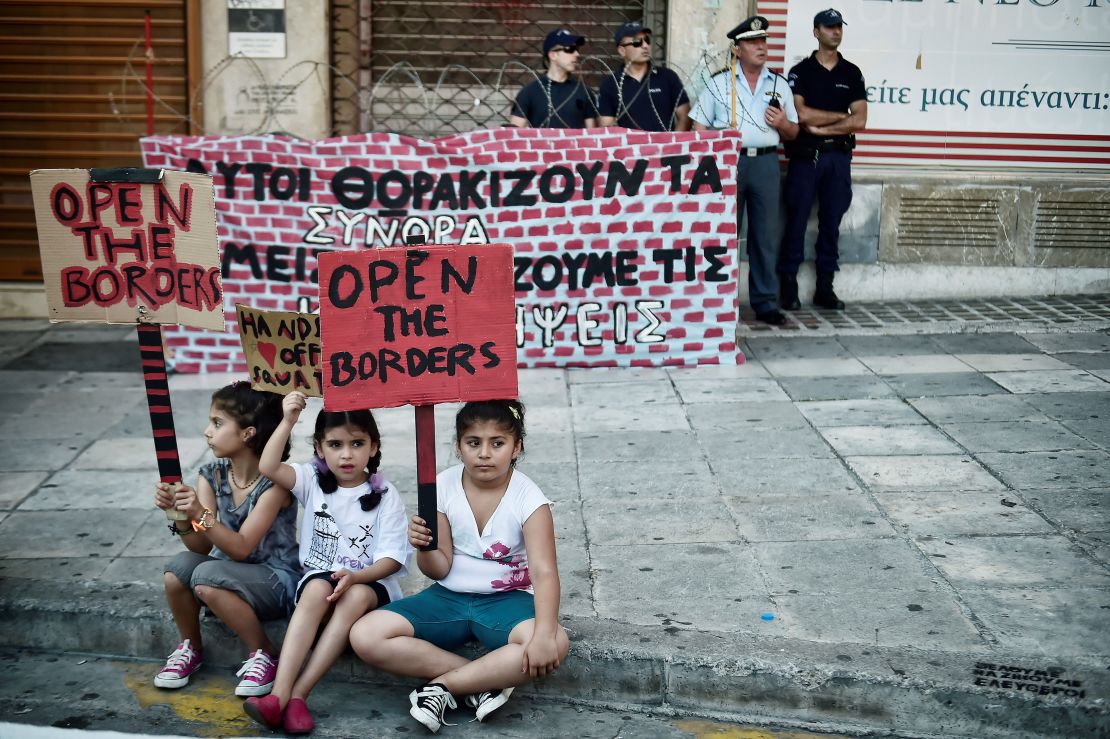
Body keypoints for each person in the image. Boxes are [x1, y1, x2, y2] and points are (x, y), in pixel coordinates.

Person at [349, 399, 568, 733]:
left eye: (497, 443)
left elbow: (544, 572)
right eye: (473, 443)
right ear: (458, 446)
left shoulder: (529, 499)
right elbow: (437, 568)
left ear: (516, 447)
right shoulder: (440, 487)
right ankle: (483, 680)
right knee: (365, 635)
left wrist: (542, 635)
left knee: (555, 641)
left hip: (507, 600)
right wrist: (423, 546)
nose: (484, 453)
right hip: (446, 597)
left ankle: (442, 688)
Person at [244, 390, 410, 734]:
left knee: (357, 594)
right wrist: (288, 419)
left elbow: (392, 559)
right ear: (319, 448)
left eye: (357, 443)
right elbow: (268, 466)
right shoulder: (311, 481)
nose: (346, 455)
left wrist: (357, 575)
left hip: (371, 583)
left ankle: (300, 695)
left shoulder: (386, 496)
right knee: (318, 587)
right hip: (322, 579)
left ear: (373, 447)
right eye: (335, 445)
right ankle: (278, 697)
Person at [152, 381, 298, 698]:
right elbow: (201, 547)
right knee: (177, 570)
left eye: (218, 423)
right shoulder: (211, 474)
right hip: (223, 575)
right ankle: (190, 647)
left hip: (275, 581)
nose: (207, 431)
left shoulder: (275, 485)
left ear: (247, 433)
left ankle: (264, 653)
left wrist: (200, 515)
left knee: (205, 576)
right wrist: (177, 514)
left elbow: (242, 548)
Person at [691, 16, 798, 326]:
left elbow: (793, 132)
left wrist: (781, 124)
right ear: (737, 49)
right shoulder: (719, 82)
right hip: (728, 164)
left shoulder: (778, 84)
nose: (761, 46)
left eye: (763, 40)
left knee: (764, 236)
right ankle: (718, 301)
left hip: (766, 162)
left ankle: (765, 302)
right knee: (724, 235)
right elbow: (699, 129)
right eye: (753, 42)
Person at [778, 8, 867, 312]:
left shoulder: (851, 72)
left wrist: (824, 123)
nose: (836, 32)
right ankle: (787, 285)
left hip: (838, 158)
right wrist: (844, 116)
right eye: (829, 27)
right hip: (806, 158)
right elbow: (800, 115)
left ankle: (824, 288)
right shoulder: (801, 72)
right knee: (796, 222)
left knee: (831, 223)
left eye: (839, 26)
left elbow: (860, 120)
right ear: (816, 32)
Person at [597, 20, 690, 131]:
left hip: (665, 146)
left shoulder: (667, 77)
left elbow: (685, 116)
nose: (645, 46)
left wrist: (672, 144)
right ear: (622, 50)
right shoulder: (610, 85)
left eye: (647, 40)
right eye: (637, 42)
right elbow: (607, 127)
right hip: (631, 147)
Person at [510, 28, 598, 129]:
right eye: (570, 49)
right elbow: (514, 135)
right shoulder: (530, 92)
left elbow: (592, 136)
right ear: (553, 55)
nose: (577, 54)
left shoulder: (583, 92)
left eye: (577, 49)